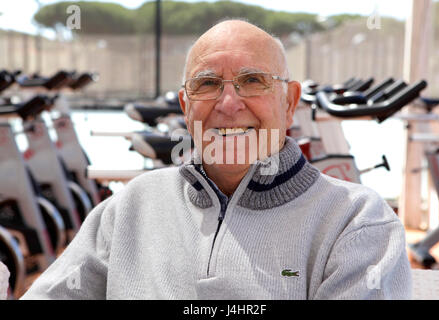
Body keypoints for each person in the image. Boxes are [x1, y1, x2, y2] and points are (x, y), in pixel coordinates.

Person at [21, 19, 412, 300]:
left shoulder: (357, 222)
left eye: (253, 80)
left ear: (289, 102)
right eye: (207, 84)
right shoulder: (129, 208)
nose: (228, 103)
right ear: (185, 106)